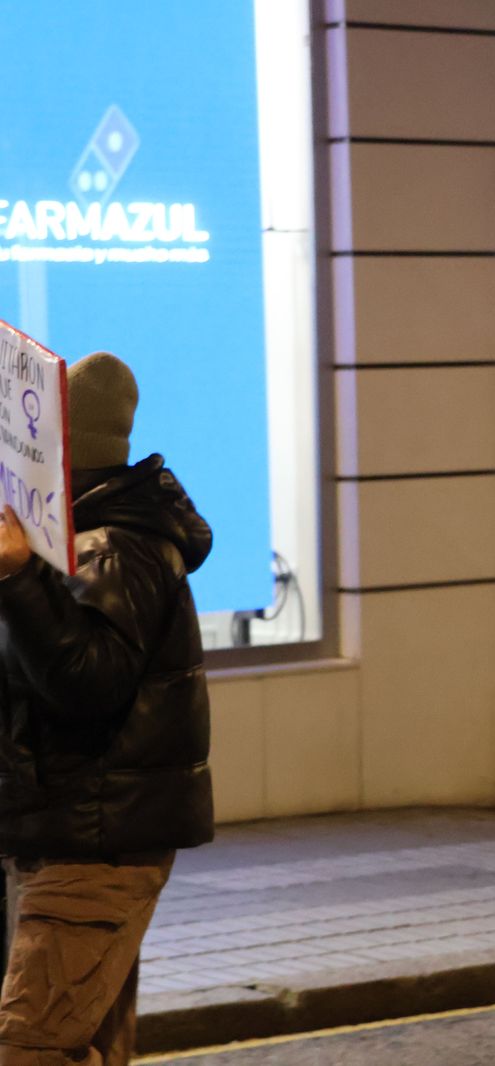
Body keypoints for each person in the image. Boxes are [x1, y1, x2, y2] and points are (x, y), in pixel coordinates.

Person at [0, 351, 213, 1065]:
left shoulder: (119, 547)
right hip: (65, 834)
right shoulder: (65, 539)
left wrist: (19, 579)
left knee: (30, 1048)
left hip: (92, 843)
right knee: (86, 1042)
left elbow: (87, 683)